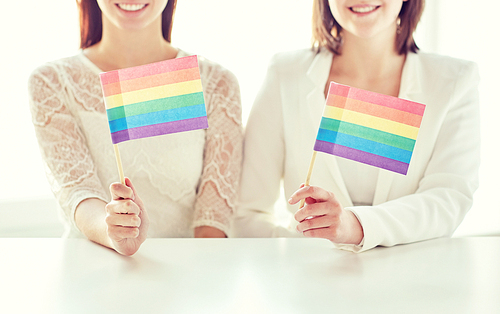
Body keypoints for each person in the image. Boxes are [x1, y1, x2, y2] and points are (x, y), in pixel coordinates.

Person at [234, 0, 480, 252]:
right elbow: (247, 213)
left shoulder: (455, 80)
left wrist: (354, 226)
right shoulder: (285, 74)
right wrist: (295, 257)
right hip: (309, 282)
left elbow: (447, 198)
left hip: (410, 280)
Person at [28, 0, 243, 256]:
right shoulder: (52, 82)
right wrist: (114, 231)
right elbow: (78, 193)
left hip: (185, 277)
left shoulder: (215, 83)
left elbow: (212, 222)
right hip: (92, 273)